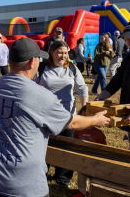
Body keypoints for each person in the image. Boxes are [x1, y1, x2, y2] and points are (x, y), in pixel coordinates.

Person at [0, 38, 110, 197]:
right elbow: (71, 123)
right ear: (32, 62)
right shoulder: (40, 95)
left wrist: (47, 106)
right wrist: (96, 120)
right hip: (20, 187)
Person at [35, 40, 88, 187]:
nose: (63, 55)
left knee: (66, 148)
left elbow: (82, 88)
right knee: (44, 146)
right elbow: (32, 88)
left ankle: (63, 178)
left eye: (65, 53)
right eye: (59, 52)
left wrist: (84, 107)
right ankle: (41, 174)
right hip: (45, 116)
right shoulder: (41, 68)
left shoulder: (72, 68)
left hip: (67, 116)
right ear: (51, 52)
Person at [95, 22, 130, 150]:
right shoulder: (128, 57)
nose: (128, 42)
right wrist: (104, 93)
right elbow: (117, 79)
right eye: (126, 39)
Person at [72, 106, 106, 197]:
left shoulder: (99, 133)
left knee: (94, 177)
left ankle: (95, 192)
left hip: (95, 161)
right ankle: (82, 192)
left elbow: (104, 148)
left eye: (89, 117)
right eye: (84, 117)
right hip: (82, 159)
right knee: (81, 175)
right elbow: (74, 142)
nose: (87, 120)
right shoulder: (78, 131)